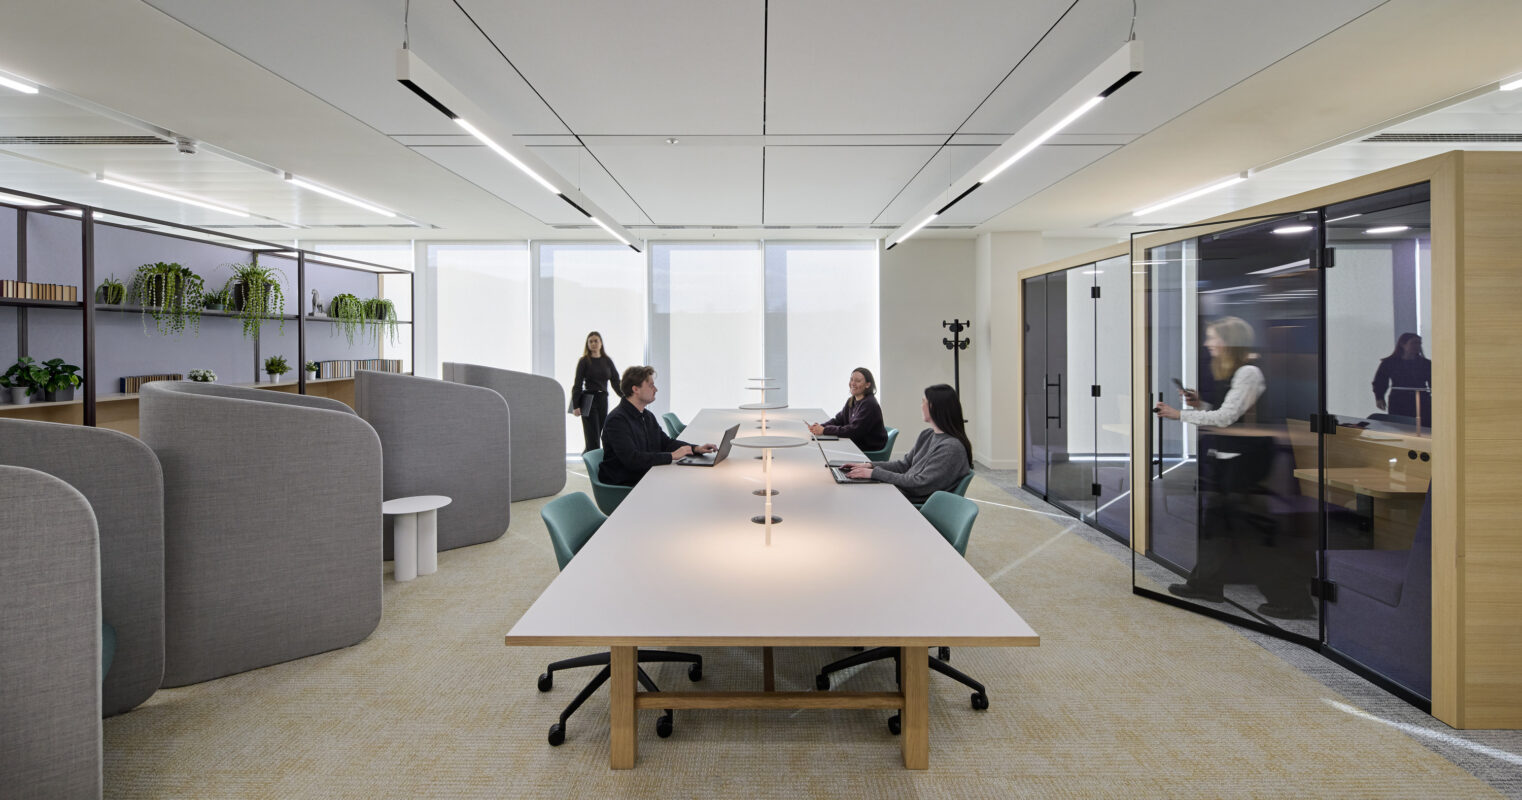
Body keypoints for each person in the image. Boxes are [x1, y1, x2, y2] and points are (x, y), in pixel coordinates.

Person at [1154, 316, 1313, 620]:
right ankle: (1205, 584)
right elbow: (1227, 413)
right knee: (1216, 525)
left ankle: (1294, 601)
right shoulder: (1237, 374)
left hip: (1246, 463)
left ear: (1227, 341)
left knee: (1248, 531)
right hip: (1228, 460)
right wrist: (1199, 405)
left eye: (1211, 338)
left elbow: (1226, 419)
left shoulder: (1249, 373)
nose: (1207, 344)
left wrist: (1180, 416)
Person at [841, 383, 971, 505]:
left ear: (934, 407)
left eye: (923, 401)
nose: (921, 406)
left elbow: (920, 485)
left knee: (851, 497)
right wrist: (869, 465)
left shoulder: (951, 448)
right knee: (849, 490)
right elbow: (904, 465)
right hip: (900, 492)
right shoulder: (927, 435)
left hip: (910, 503)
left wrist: (873, 473)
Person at [598, 366, 715, 487]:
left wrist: (694, 448)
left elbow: (665, 443)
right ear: (635, 389)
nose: (656, 389)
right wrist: (671, 456)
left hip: (645, 474)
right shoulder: (617, 420)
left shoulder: (646, 415)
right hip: (625, 483)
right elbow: (632, 460)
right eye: (651, 385)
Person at [807, 367, 887, 453]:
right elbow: (838, 420)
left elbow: (854, 431)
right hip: (855, 443)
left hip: (867, 448)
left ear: (867, 385)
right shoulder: (851, 400)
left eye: (857, 381)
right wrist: (820, 427)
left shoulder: (869, 404)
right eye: (851, 379)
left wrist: (824, 430)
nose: (853, 383)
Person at [569, 331, 621, 453]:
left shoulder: (607, 361)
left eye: (596, 341)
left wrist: (625, 397)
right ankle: (595, 466)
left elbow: (615, 381)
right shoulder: (584, 361)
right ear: (587, 344)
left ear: (601, 343)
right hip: (588, 400)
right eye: (590, 341)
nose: (593, 343)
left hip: (602, 399)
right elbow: (577, 383)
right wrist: (575, 405)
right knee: (592, 437)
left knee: (600, 433)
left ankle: (587, 455)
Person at [1372, 332, 1431, 424]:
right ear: (1403, 344)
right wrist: (1379, 397)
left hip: (1422, 401)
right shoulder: (1389, 363)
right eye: (1414, 343)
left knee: (1424, 426)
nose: (1417, 346)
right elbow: (1380, 381)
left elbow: (1434, 382)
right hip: (1399, 400)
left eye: (1419, 343)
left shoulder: (1426, 364)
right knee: (1400, 426)